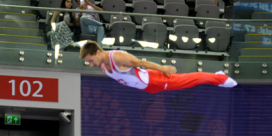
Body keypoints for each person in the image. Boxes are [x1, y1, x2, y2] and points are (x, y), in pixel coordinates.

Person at [80, 41, 237, 93]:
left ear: (98, 52)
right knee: (190, 80)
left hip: (155, 80)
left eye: (90, 60)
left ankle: (221, 78)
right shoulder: (103, 65)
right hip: (148, 87)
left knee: (191, 80)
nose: (91, 64)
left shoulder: (117, 57)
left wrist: (163, 69)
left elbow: (141, 63)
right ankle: (218, 76)